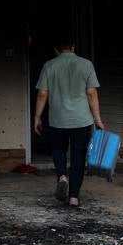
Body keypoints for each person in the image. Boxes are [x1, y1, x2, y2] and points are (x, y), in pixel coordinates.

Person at [33, 39, 104, 207]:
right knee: (78, 156)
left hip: (57, 119)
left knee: (58, 149)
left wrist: (37, 117)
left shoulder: (49, 65)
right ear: (73, 47)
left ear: (56, 50)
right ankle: (73, 197)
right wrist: (98, 119)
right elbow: (91, 93)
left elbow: (42, 94)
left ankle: (62, 177)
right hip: (81, 120)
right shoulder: (86, 64)